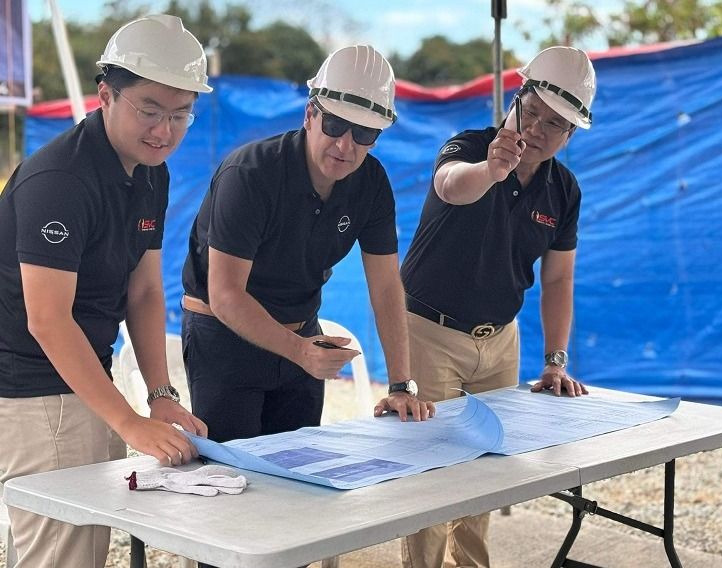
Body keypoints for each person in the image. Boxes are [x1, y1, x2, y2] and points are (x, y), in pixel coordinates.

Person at [0, 14, 211, 568]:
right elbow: (46, 318)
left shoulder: (150, 171)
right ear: (105, 96)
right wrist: (127, 421)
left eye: (181, 113)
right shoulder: (61, 181)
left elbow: (143, 290)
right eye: (149, 109)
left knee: (89, 544)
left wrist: (159, 396)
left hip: (87, 377)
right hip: (32, 392)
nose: (164, 130)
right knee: (63, 555)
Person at [398, 46, 596, 568]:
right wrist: (490, 169)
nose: (536, 129)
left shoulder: (564, 189)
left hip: (500, 335)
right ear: (515, 100)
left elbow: (558, 279)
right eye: (531, 111)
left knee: (487, 466)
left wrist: (556, 360)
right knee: (433, 467)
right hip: (427, 326)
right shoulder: (469, 146)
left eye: (555, 125)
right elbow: (449, 185)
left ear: (571, 134)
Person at [181, 44, 434, 451]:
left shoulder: (371, 182)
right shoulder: (251, 174)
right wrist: (300, 352)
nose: (345, 145)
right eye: (335, 125)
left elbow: (386, 285)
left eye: (364, 133)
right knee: (233, 481)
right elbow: (225, 294)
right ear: (310, 115)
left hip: (302, 333)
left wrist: (402, 383)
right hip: (224, 333)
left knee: (298, 477)